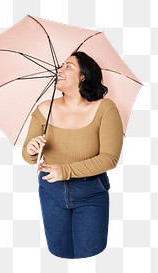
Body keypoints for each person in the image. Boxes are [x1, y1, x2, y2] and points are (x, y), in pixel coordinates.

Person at [22, 51, 123, 259]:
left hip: (91, 191)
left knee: (91, 256)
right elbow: (28, 155)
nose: (60, 69)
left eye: (68, 66)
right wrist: (32, 149)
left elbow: (109, 158)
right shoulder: (43, 109)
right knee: (59, 255)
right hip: (51, 191)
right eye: (61, 65)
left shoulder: (104, 108)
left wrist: (66, 170)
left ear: (83, 76)